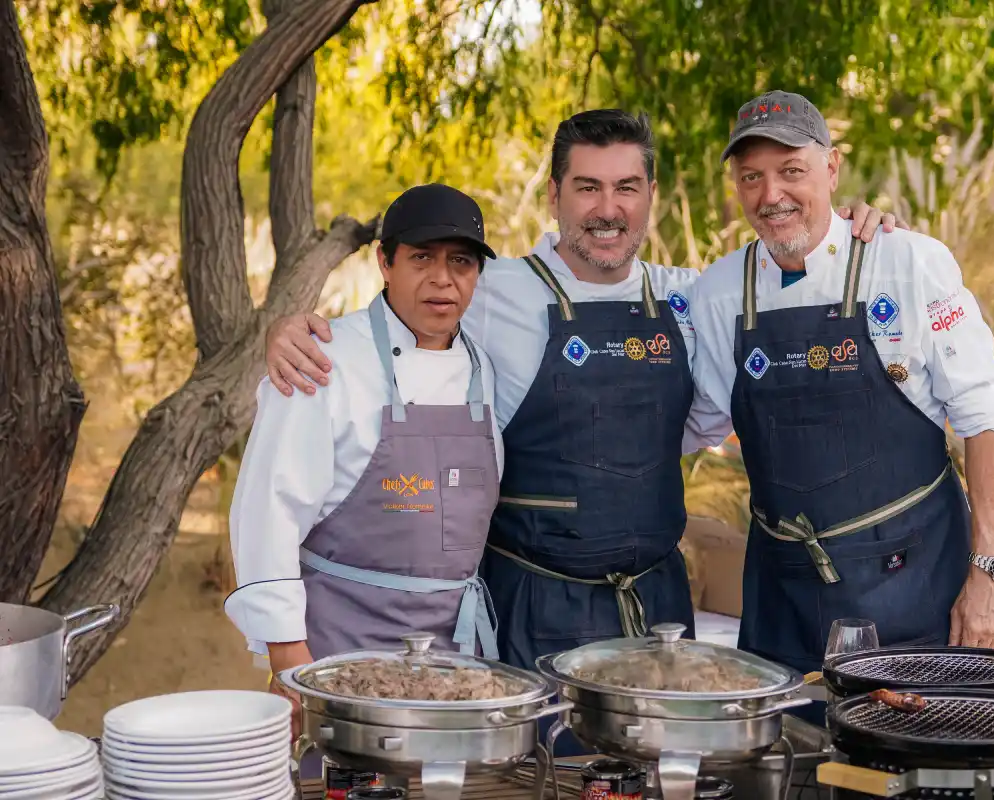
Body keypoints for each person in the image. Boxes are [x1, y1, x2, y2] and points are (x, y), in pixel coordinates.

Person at [261, 110, 898, 682]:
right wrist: (293, 332)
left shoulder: (694, 297)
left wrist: (853, 234)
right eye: (587, 187)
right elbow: (400, 313)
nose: (607, 209)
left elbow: (793, 285)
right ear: (555, 196)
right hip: (532, 609)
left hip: (659, 614)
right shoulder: (492, 291)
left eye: (626, 188)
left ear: (650, 195)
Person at [687, 91, 994, 693]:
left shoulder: (908, 264)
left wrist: (990, 576)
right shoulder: (716, 294)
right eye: (751, 177)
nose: (771, 196)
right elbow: (702, 420)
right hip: (781, 604)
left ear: (832, 168)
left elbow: (986, 417)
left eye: (792, 171)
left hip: (915, 594)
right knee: (784, 775)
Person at [223, 184, 504, 742]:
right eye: (422, 258)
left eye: (461, 262)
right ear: (384, 261)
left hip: (455, 665)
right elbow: (265, 518)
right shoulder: (322, 362)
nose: (442, 280)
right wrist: (291, 664)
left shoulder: (486, 368)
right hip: (337, 659)